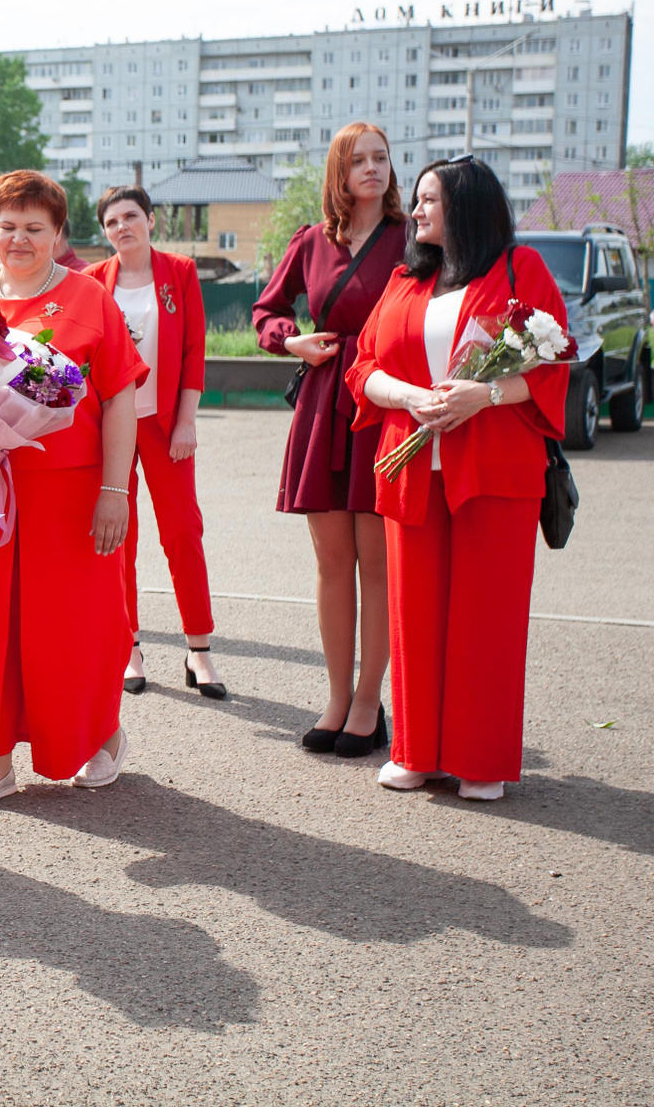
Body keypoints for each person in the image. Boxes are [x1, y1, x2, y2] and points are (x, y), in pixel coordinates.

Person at [347, 156, 567, 802]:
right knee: (413, 614)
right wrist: (410, 396)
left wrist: (486, 394)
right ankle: (415, 752)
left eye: (428, 200)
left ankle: (480, 759)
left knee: (487, 618)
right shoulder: (404, 280)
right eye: (417, 200)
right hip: (411, 466)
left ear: (466, 206)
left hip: (496, 470)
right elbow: (363, 368)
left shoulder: (520, 270)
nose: (415, 211)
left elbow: (555, 364)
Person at [0, 171, 144, 812]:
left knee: (72, 626)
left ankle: (98, 735)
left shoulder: (89, 298)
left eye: (35, 227)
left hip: (70, 491)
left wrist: (114, 490)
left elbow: (119, 398)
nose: (20, 239)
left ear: (59, 234)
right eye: (7, 226)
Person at [254, 123, 407, 755]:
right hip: (323, 402)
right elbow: (267, 311)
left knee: (378, 559)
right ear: (338, 172)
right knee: (332, 561)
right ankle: (337, 698)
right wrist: (290, 339)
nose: (372, 168)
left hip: (383, 401)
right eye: (359, 160)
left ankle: (370, 701)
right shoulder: (312, 241)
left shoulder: (412, 237)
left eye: (381, 158)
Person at [83, 186, 228, 700]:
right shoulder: (93, 280)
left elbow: (193, 349)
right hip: (112, 426)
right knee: (118, 536)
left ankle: (199, 648)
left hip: (165, 424)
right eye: (111, 222)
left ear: (150, 219)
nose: (122, 227)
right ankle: (129, 645)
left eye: (130, 216)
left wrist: (187, 420)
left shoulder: (180, 272)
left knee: (183, 531)